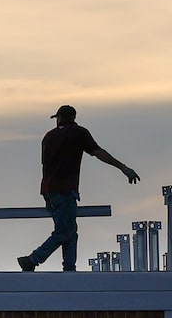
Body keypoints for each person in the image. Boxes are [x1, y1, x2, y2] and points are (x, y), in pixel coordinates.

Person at [18, 105, 139, 272]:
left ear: (59, 118)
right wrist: (123, 167)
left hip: (49, 190)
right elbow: (98, 152)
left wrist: (45, 194)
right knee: (64, 231)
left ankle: (69, 267)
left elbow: (45, 166)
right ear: (73, 118)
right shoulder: (78, 133)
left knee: (70, 230)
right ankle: (32, 260)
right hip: (65, 189)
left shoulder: (49, 136)